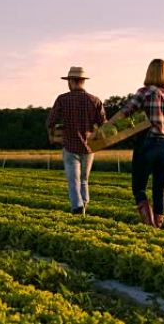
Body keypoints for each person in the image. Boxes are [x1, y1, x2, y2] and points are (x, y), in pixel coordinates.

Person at [108, 59, 164, 228]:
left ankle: (149, 225)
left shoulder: (144, 92)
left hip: (147, 144)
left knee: (139, 187)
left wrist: (107, 127)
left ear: (149, 73)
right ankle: (158, 227)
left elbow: (125, 113)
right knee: (159, 190)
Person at [46, 66, 107, 215]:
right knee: (84, 180)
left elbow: (50, 122)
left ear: (71, 81)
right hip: (89, 147)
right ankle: (83, 205)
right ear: (83, 81)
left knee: (73, 180)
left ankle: (77, 207)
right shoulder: (95, 100)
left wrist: (55, 133)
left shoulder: (62, 99)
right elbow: (104, 125)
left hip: (70, 146)